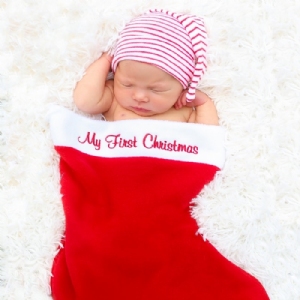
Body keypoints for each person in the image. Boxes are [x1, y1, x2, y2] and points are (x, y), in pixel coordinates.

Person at [73, 9, 219, 126]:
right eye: (127, 84)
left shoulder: (182, 111)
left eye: (156, 89)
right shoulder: (115, 100)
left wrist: (203, 102)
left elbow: (206, 138)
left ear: (182, 86)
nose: (139, 97)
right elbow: (85, 102)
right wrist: (106, 59)